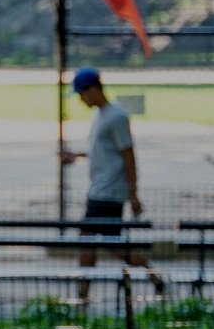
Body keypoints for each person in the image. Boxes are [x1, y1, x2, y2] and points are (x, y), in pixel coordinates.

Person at [58, 67, 162, 304]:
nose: (81, 100)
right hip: (100, 189)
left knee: (91, 240)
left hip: (108, 192)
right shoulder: (100, 116)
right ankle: (153, 276)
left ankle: (83, 295)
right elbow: (103, 152)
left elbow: (128, 155)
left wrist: (133, 194)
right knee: (109, 243)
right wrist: (76, 156)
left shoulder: (117, 117)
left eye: (81, 94)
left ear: (93, 89)